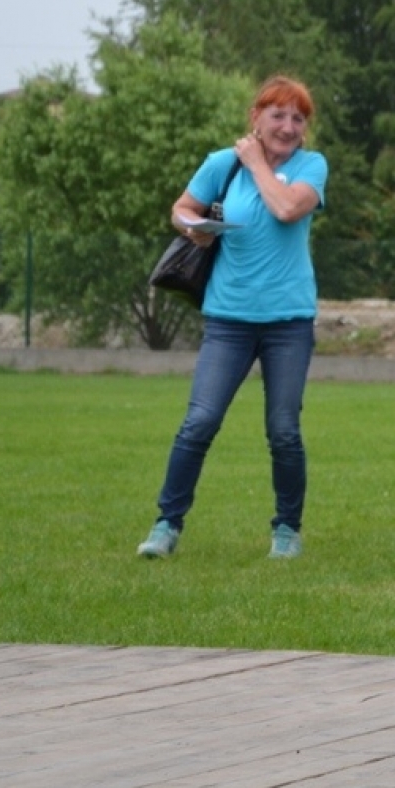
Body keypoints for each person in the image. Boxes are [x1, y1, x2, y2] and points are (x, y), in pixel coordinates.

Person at [136, 74, 328, 561]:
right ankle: (166, 525)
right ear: (256, 117)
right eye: (278, 115)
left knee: (283, 429)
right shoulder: (221, 164)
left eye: (297, 118)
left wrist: (255, 162)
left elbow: (286, 209)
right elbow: (181, 209)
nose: (288, 125)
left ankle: (287, 530)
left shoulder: (312, 166)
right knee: (199, 422)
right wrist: (193, 227)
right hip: (228, 319)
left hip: (288, 322)